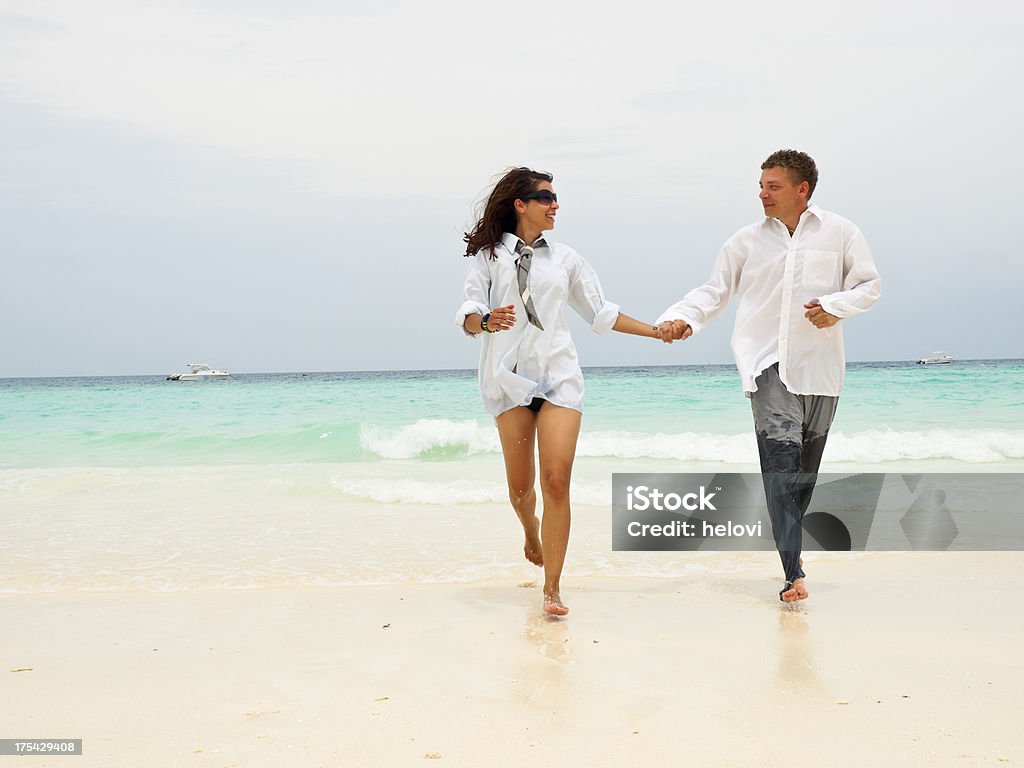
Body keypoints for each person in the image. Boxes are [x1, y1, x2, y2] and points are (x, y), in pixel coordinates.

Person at [657, 149, 881, 603]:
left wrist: (835, 308)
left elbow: (869, 285)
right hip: (765, 365)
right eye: (761, 185)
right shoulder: (745, 241)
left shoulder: (841, 232)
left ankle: (790, 552)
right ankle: (791, 573)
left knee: (803, 478)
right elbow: (714, 291)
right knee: (780, 468)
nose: (762, 194)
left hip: (820, 370)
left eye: (772, 186)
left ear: (802, 190)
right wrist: (682, 317)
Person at [456, 167, 660, 616]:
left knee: (556, 480)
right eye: (546, 197)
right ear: (520, 204)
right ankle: (530, 530)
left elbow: (601, 314)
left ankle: (552, 588)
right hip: (509, 381)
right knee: (520, 489)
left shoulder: (566, 258)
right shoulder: (489, 257)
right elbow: (469, 312)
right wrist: (487, 320)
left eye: (555, 198)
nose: (555, 205)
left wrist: (656, 333)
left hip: (559, 378)